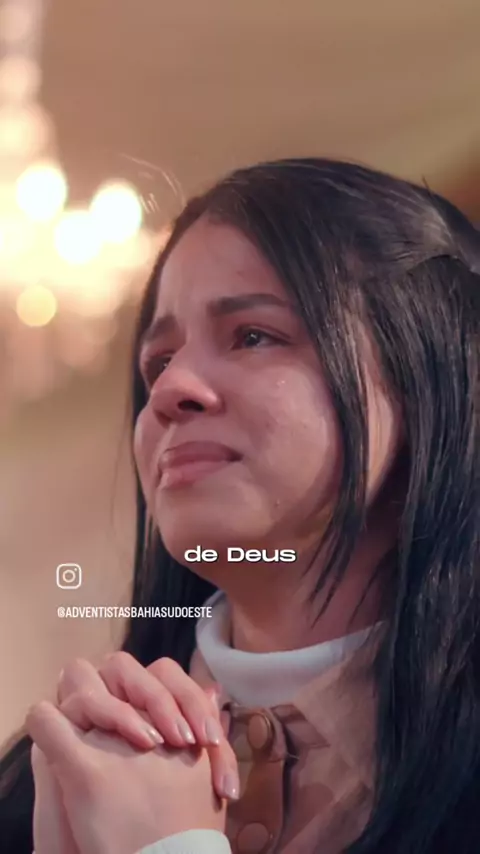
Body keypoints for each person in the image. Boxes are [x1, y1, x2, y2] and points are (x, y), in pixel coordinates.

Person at [0, 157, 479, 854]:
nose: (171, 391)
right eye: (158, 362)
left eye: (253, 336)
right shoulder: (42, 786)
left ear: (427, 376)